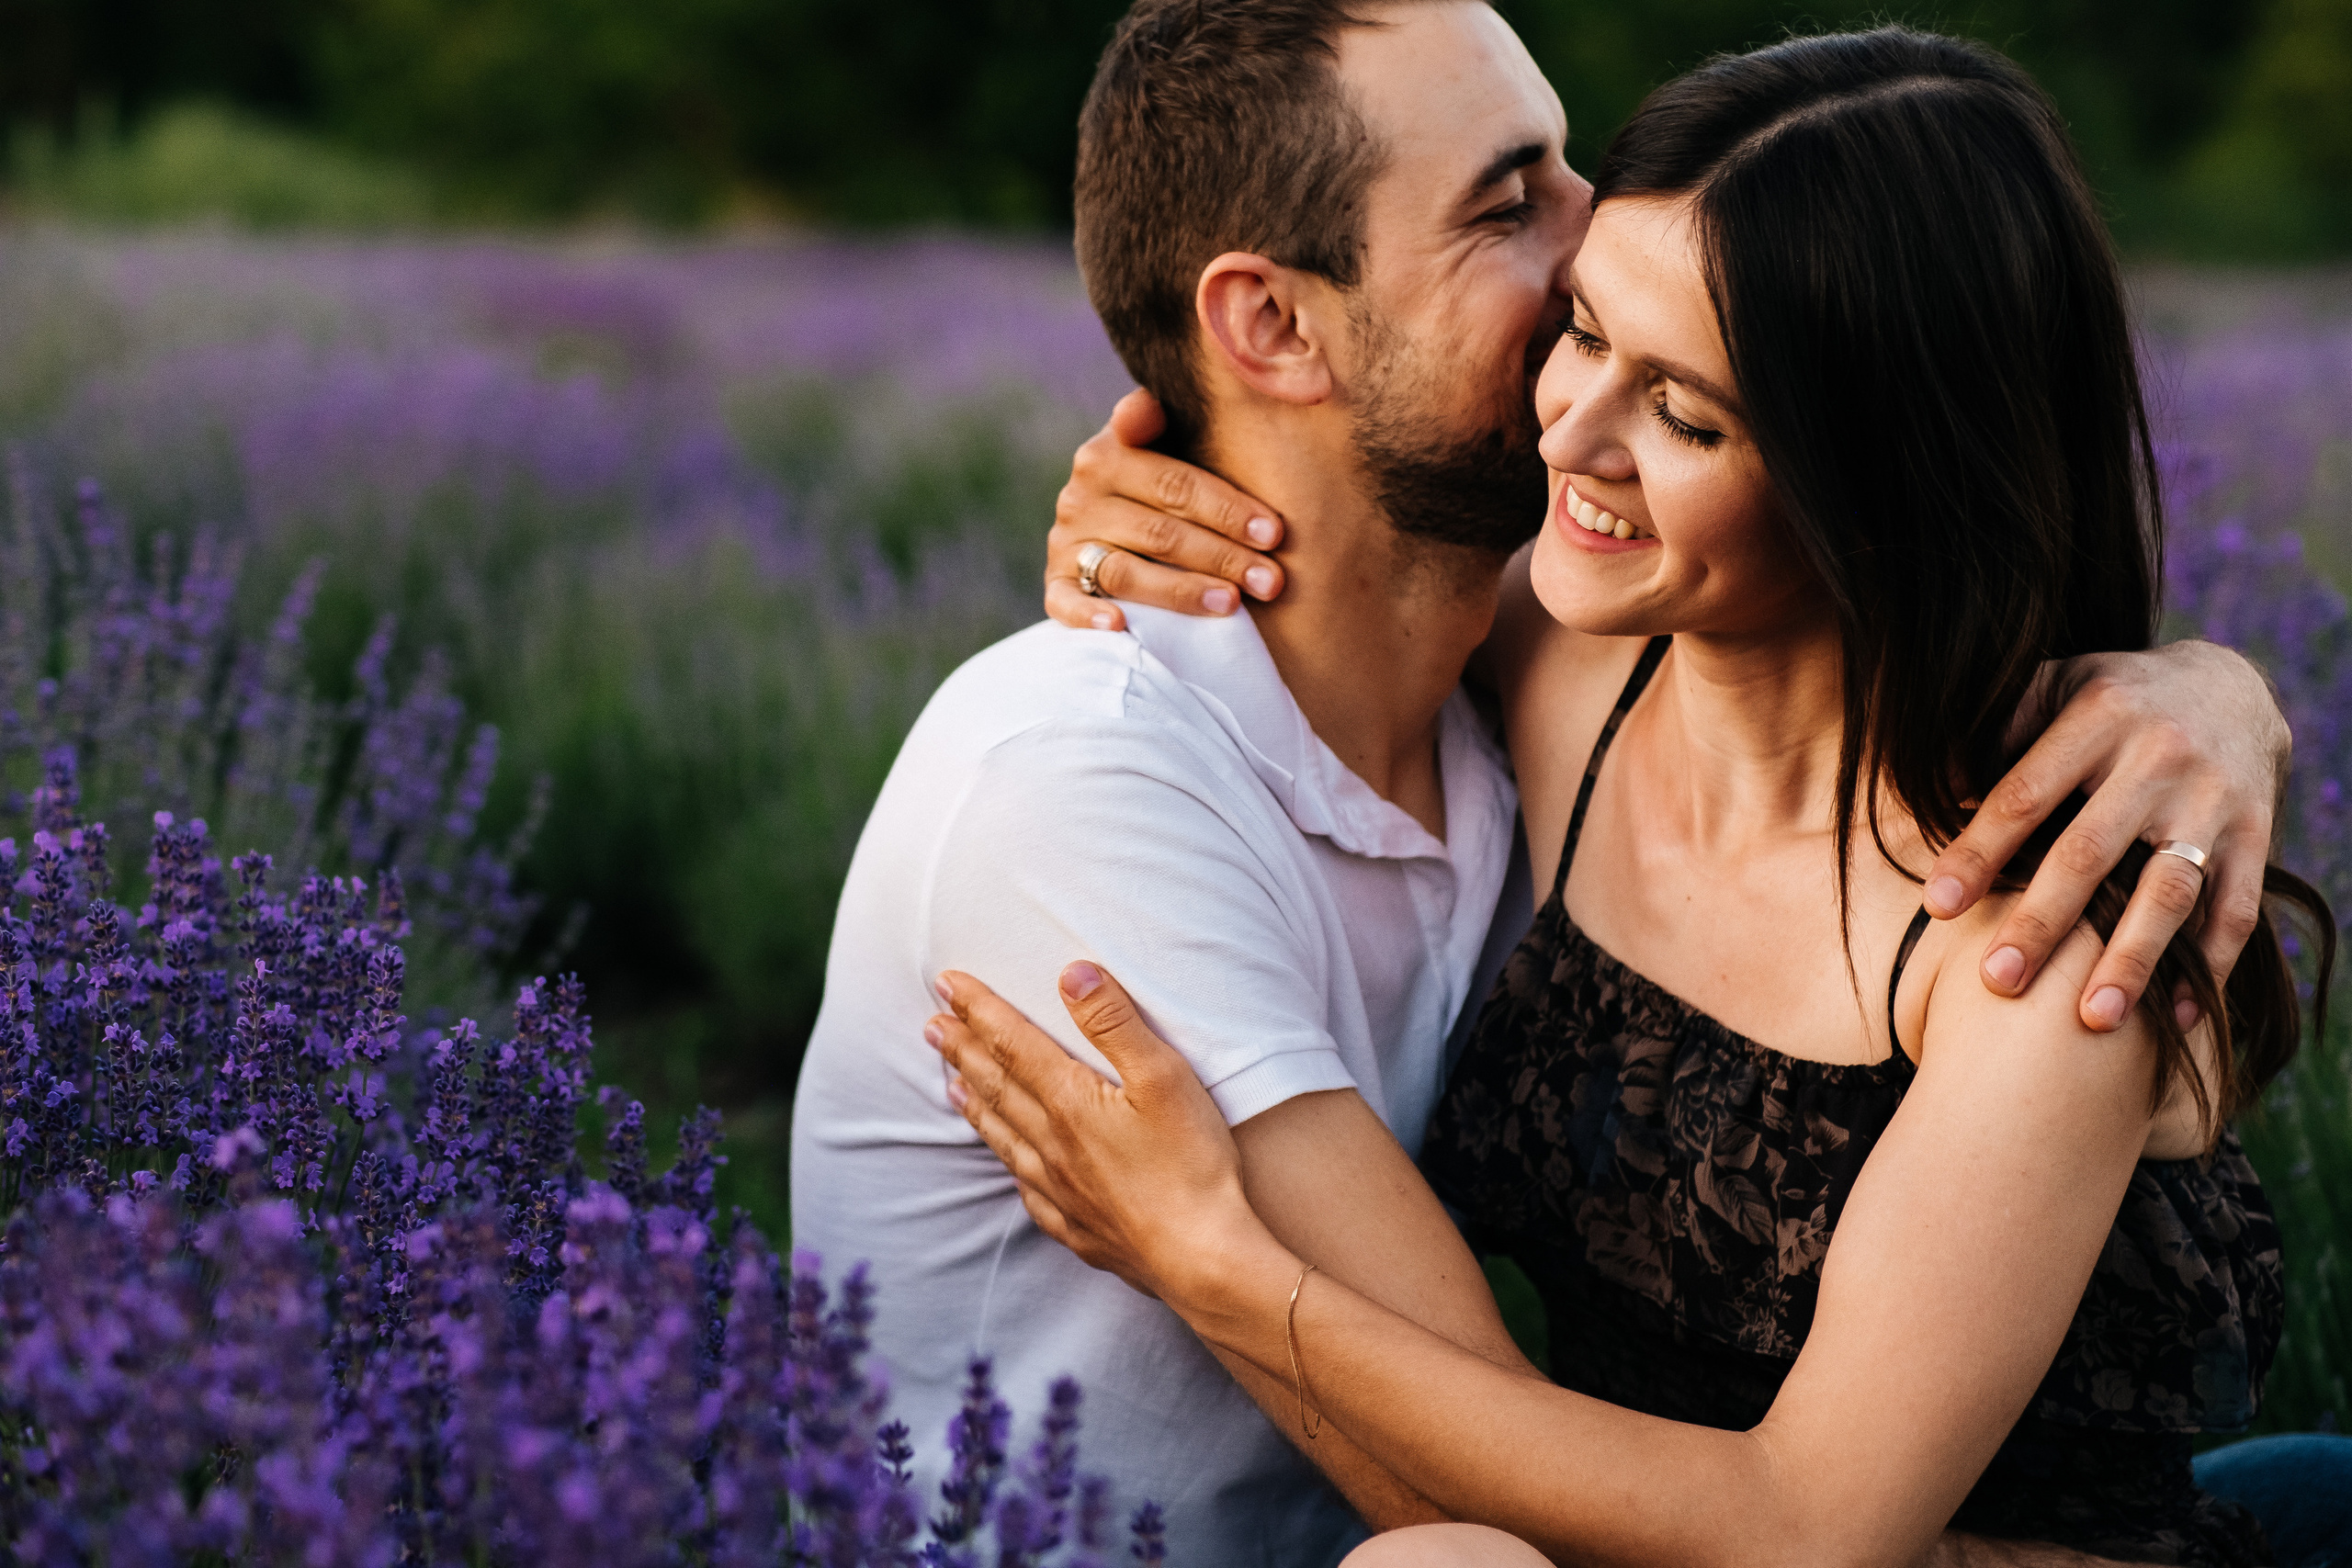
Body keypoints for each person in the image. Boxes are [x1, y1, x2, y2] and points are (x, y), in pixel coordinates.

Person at [793, 5, 2297, 1563]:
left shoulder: (2028, 916)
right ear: (1274, 328)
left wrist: (2224, 695)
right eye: (1519, 214)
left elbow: (1800, 1528)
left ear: (1875, 473)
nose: (1585, 254)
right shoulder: (1542, 679)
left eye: (1687, 407)